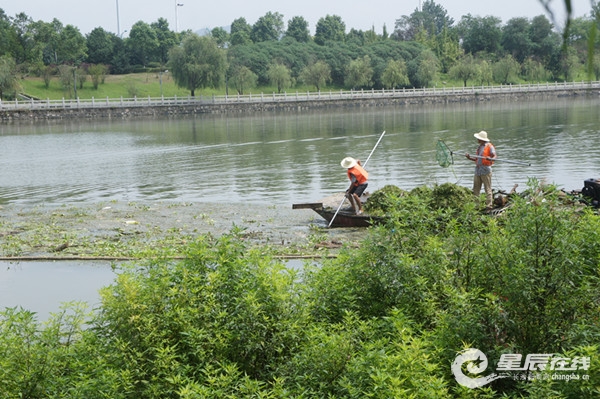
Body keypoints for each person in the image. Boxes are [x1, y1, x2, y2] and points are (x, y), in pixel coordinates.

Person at [465, 131, 497, 210]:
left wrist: (491, 158)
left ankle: (489, 206)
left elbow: (494, 155)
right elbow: (477, 159)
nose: (477, 140)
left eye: (478, 138)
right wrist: (469, 158)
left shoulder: (489, 146)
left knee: (488, 189)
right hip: (478, 170)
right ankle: (476, 206)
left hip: (485, 170)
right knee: (476, 188)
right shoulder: (480, 147)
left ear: (482, 139)